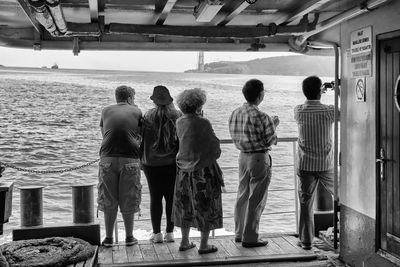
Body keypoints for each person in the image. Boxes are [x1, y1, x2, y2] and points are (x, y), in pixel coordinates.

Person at [229, 79, 279, 248]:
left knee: (242, 195)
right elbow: (271, 140)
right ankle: (250, 237)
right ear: (260, 95)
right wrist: (274, 125)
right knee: (256, 198)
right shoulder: (262, 116)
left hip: (242, 157)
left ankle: (239, 233)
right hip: (258, 158)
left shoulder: (235, 112)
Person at [173, 88, 224, 254]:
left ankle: (185, 242)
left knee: (184, 205)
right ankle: (203, 245)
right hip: (202, 171)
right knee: (206, 206)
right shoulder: (203, 122)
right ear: (199, 105)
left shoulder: (179, 122)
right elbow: (215, 149)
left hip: (182, 171)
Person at [97, 85, 142, 247]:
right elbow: (139, 135)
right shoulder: (137, 111)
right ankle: (129, 237)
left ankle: (108, 238)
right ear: (130, 98)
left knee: (109, 199)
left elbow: (104, 133)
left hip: (107, 157)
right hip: (130, 159)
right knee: (129, 198)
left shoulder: (105, 110)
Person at [294, 76, 335, 250]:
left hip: (305, 165)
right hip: (326, 164)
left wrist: (319, 92)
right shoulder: (328, 111)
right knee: (342, 196)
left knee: (305, 203)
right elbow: (345, 111)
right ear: (320, 91)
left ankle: (306, 241)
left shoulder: (298, 111)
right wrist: (337, 91)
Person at [141, 85, 181, 243]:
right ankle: (170, 233)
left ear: (154, 101)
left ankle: (157, 234)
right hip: (172, 163)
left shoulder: (148, 116)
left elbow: (142, 139)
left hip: (151, 164)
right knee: (171, 198)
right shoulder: (177, 115)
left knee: (155, 198)